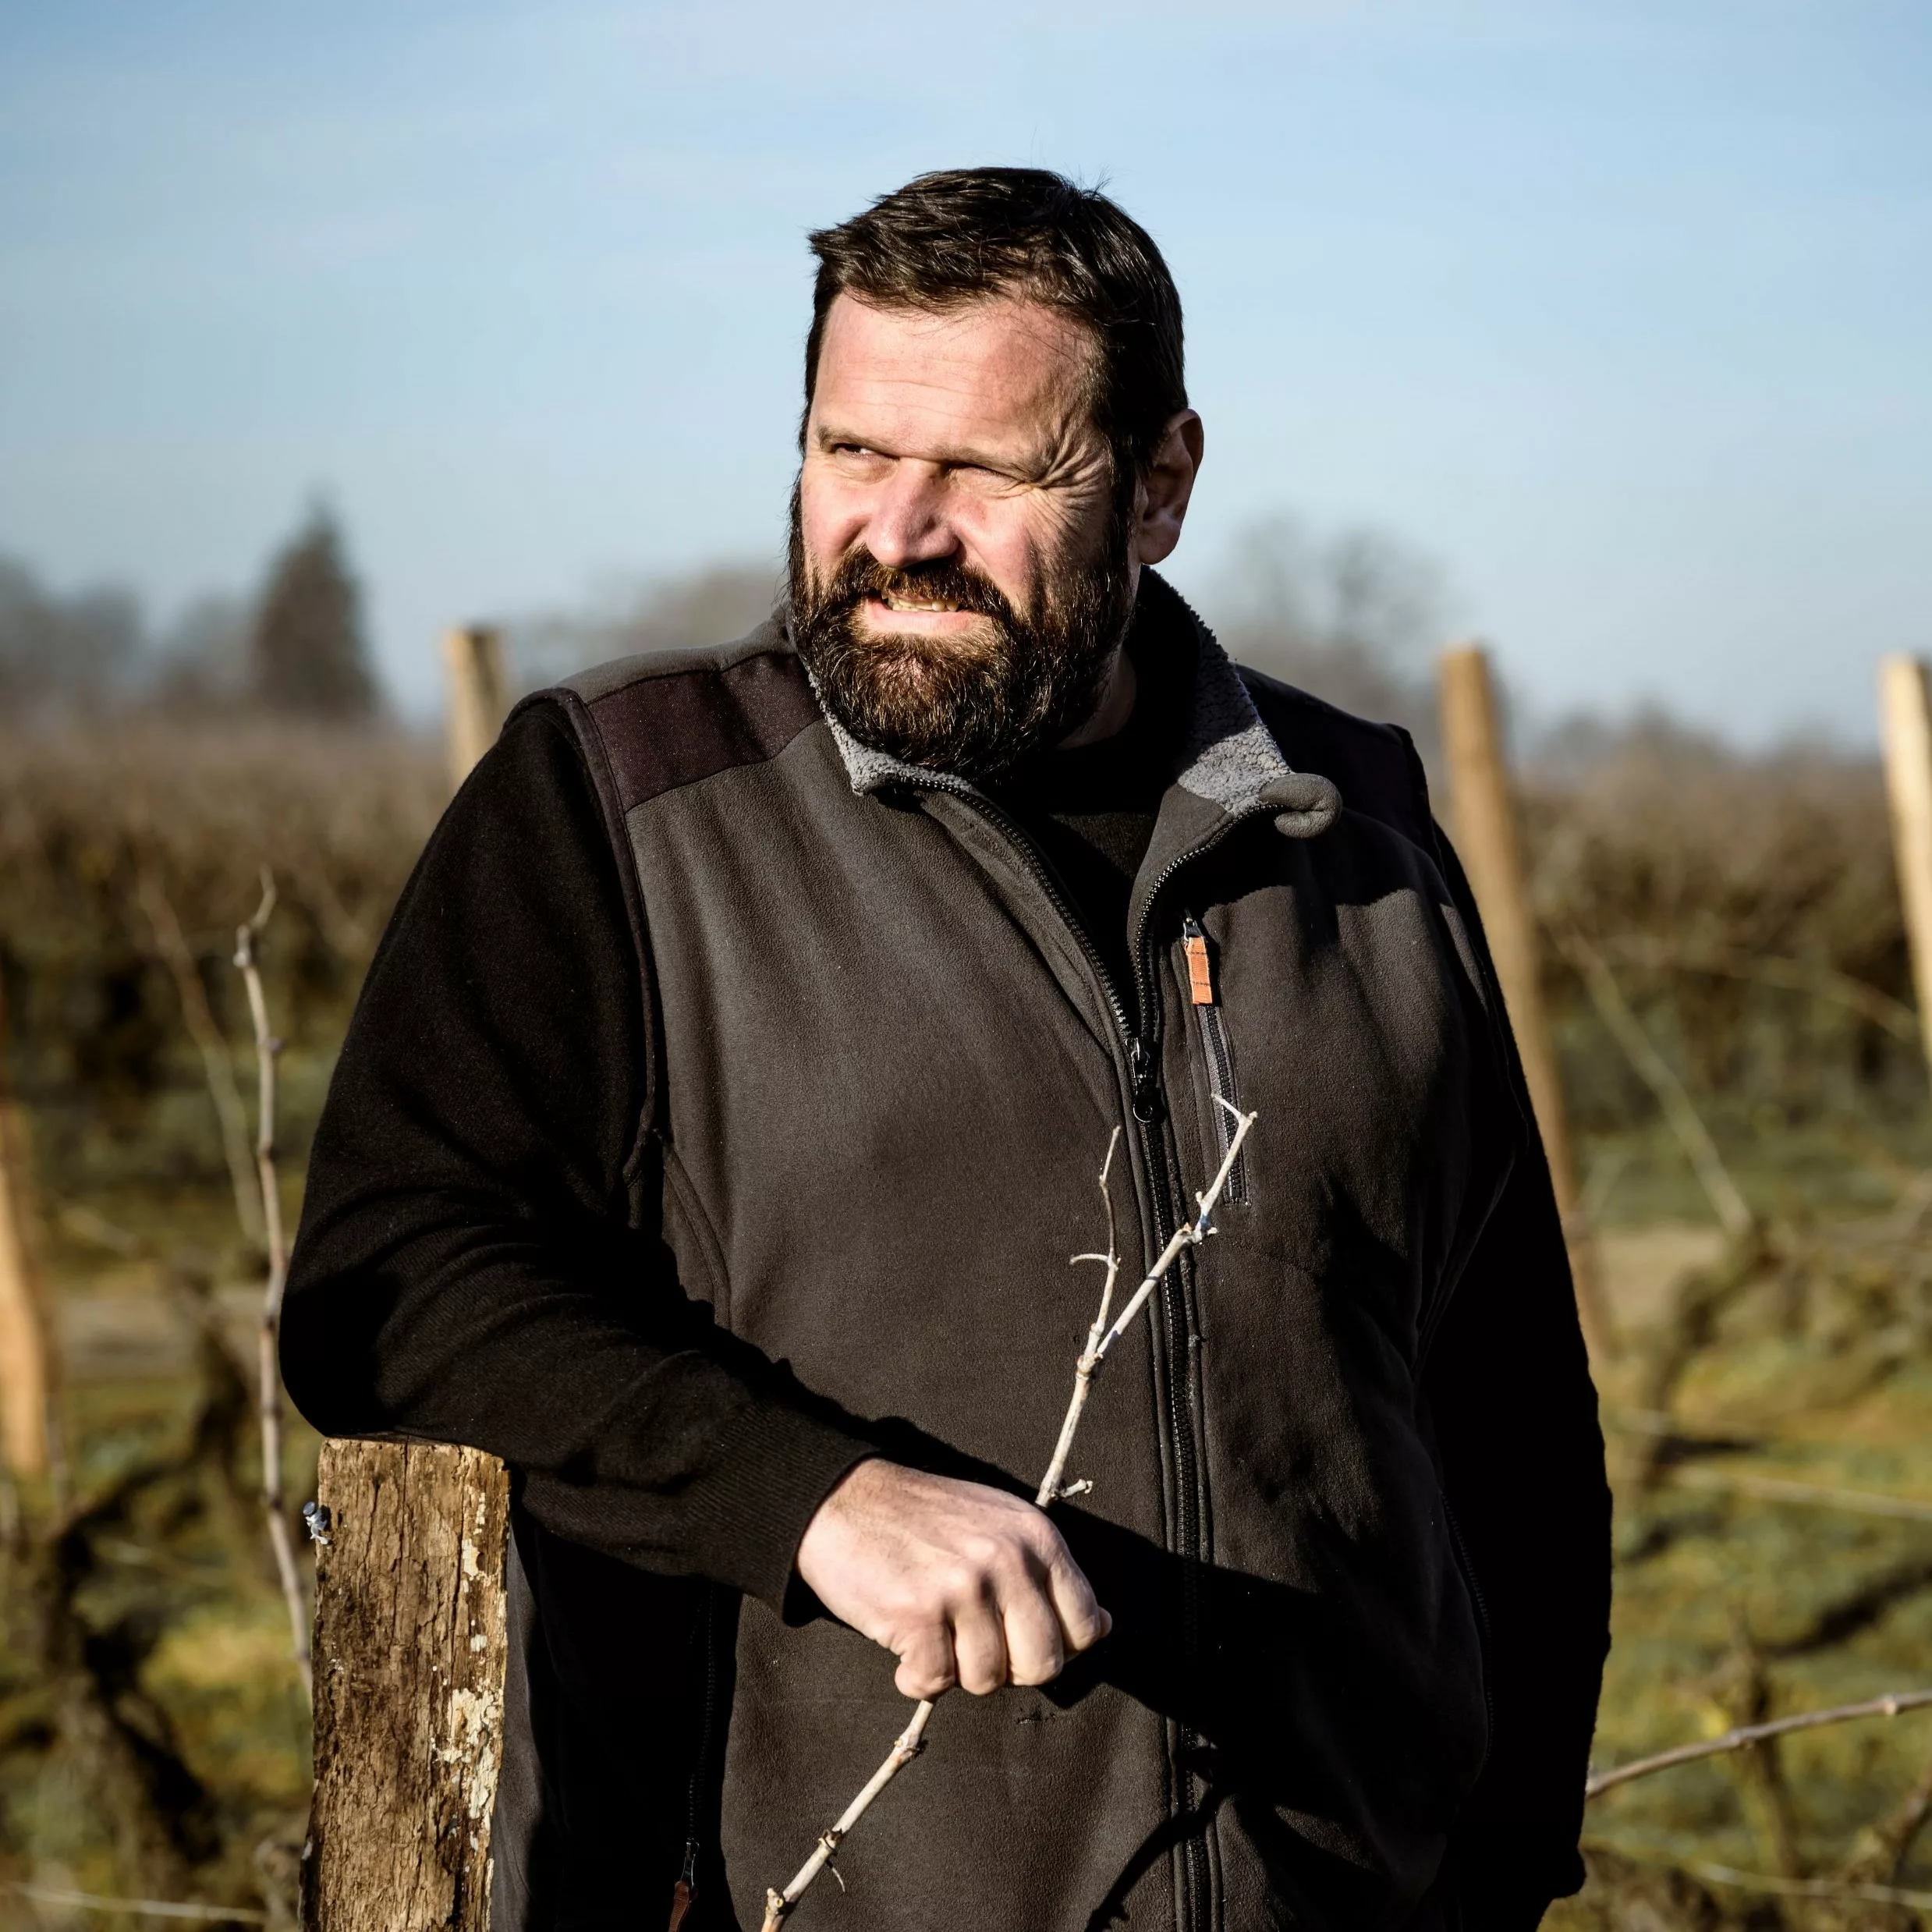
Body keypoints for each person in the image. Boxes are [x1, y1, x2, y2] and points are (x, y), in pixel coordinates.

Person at [282, 167, 1610, 1932]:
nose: (893, 530)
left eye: (983, 472)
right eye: (846, 452)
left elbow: (1502, 1403)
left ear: (1156, 486)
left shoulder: (1350, 826)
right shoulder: (624, 803)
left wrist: (1505, 1858)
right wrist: (804, 1492)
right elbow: (389, 1284)